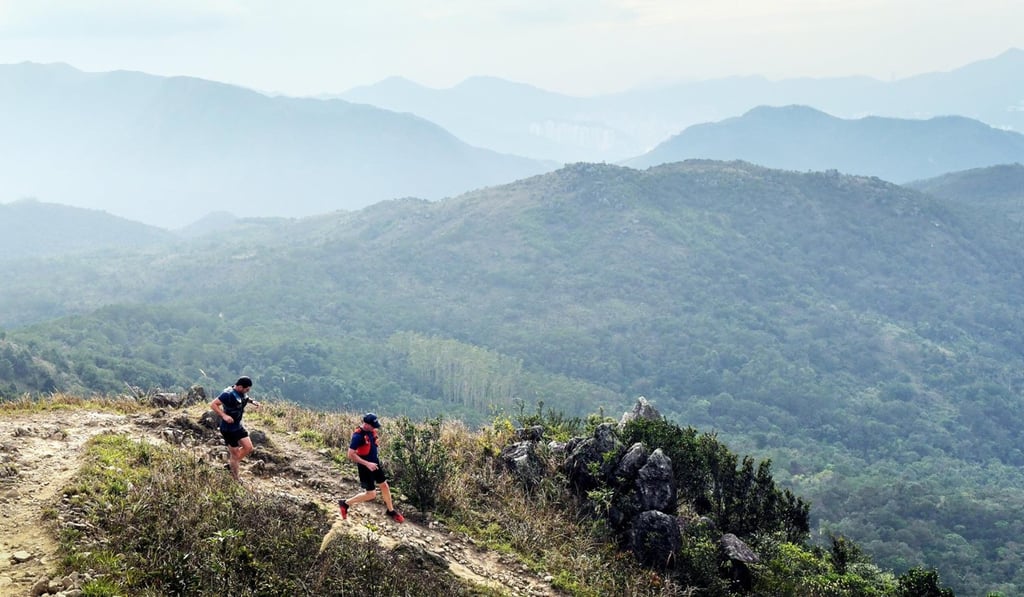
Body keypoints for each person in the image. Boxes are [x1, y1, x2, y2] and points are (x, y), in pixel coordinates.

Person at [338, 413, 404, 523]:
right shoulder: (357, 436)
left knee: (384, 485)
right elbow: (350, 454)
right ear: (366, 424)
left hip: (375, 463)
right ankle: (345, 503)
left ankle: (391, 510)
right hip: (365, 466)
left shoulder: (371, 432)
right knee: (371, 494)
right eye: (373, 425)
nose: (374, 428)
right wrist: (367, 463)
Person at [210, 376, 261, 481]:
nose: (248, 391)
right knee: (235, 454)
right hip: (228, 429)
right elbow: (213, 404)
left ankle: (232, 464)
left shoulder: (241, 392)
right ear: (240, 387)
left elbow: (244, 397)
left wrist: (252, 402)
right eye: (247, 389)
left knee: (248, 447)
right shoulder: (227, 394)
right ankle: (235, 479)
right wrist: (224, 416)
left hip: (238, 426)